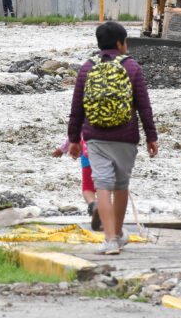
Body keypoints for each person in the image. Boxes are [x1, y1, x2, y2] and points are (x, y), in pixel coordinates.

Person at [67, 21, 158, 255]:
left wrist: (74, 139)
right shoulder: (133, 68)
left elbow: (77, 107)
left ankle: (109, 240)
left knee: (102, 186)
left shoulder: (87, 68)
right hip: (126, 137)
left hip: (95, 136)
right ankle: (117, 234)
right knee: (121, 186)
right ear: (120, 43)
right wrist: (151, 136)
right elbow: (144, 107)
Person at [51, 137, 101, 231]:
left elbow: (73, 134)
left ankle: (93, 205)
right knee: (104, 187)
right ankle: (104, 210)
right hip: (106, 156)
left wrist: (62, 149)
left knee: (87, 189)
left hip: (87, 158)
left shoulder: (84, 123)